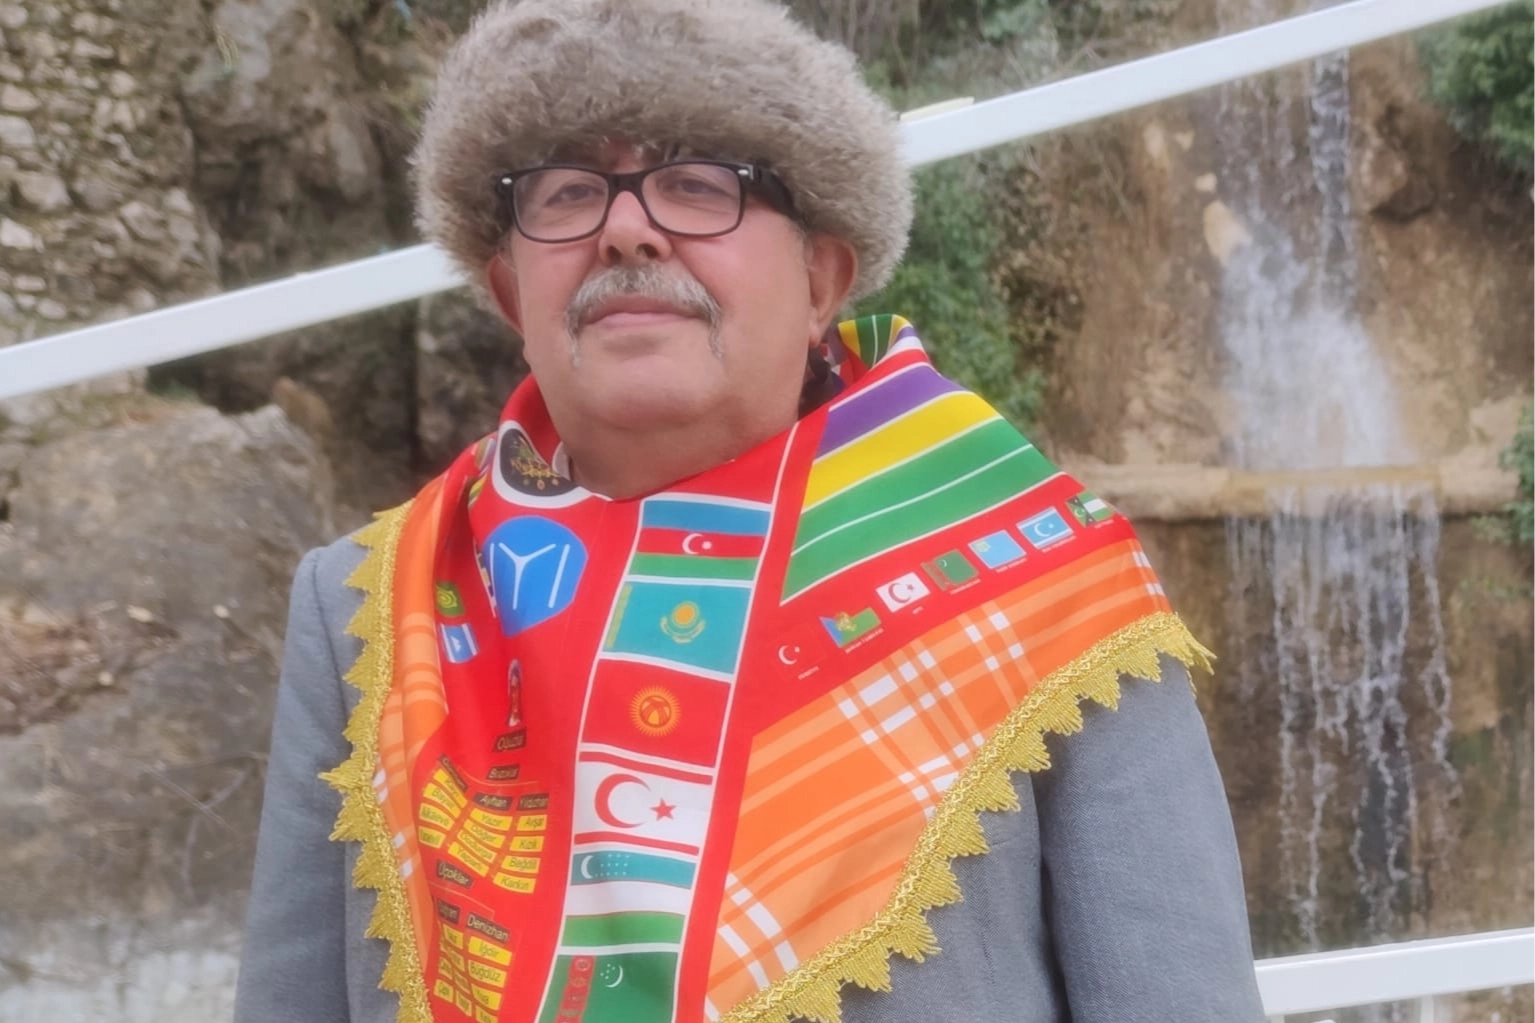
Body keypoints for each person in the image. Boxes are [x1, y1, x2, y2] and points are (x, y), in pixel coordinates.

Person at [235, 1, 1267, 1021]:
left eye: (697, 184)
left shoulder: (1035, 578)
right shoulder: (375, 609)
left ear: (822, 279)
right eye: (566, 192)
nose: (625, 230)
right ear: (509, 293)